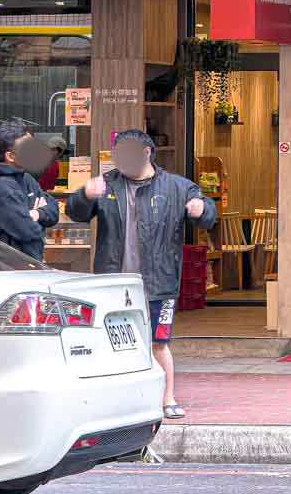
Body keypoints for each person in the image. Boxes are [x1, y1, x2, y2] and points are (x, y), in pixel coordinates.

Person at [69, 129, 216, 420]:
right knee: (111, 343)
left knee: (158, 342)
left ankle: (167, 398)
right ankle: (114, 402)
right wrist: (85, 195)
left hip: (158, 281)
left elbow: (209, 214)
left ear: (146, 153)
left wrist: (201, 209)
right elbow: (76, 213)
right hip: (114, 282)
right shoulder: (107, 185)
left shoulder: (176, 187)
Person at [0, 123, 58, 261]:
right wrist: (37, 217)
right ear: (10, 156)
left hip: (30, 264)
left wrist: (36, 213)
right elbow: (29, 231)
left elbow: (53, 209)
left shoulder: (26, 177)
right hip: (8, 268)